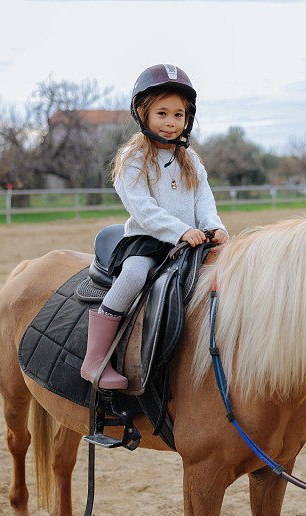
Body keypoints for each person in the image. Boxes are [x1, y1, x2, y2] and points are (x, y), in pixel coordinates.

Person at [81, 64, 228, 389]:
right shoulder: (134, 158)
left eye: (179, 115)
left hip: (192, 241)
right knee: (134, 275)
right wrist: (178, 230)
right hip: (148, 241)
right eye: (162, 113)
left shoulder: (190, 159)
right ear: (143, 114)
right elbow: (142, 209)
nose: (171, 122)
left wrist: (213, 225)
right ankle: (96, 359)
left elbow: (203, 196)